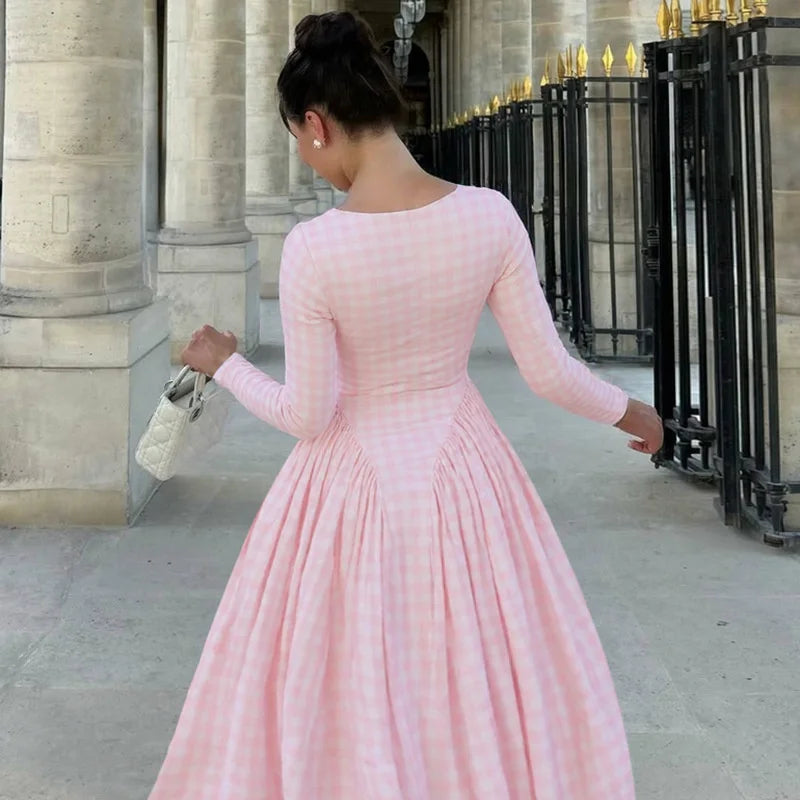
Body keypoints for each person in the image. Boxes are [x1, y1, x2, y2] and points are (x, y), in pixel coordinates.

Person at [148, 11, 662, 800]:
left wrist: (224, 365)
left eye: (296, 138)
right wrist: (638, 416)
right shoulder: (488, 214)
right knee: (481, 665)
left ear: (317, 126)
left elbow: (309, 417)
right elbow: (551, 373)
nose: (304, 157)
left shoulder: (321, 248)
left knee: (344, 673)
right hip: (466, 468)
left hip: (350, 489)